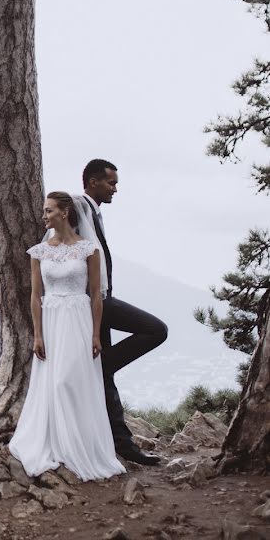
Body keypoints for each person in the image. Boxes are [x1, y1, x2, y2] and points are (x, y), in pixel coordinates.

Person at [9, 191, 126, 481]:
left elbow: (96, 296)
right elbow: (36, 296)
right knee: (54, 381)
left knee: (70, 380)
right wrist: (38, 335)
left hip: (78, 318)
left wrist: (96, 334)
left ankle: (81, 446)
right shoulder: (40, 251)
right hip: (51, 319)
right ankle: (58, 444)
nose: (44, 215)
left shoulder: (88, 250)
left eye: (49, 211)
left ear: (64, 213)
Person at [75, 159, 168, 466]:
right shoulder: (78, 206)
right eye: (111, 183)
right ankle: (98, 369)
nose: (115, 188)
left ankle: (124, 446)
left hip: (102, 300)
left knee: (106, 375)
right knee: (156, 329)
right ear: (92, 182)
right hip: (89, 302)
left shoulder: (94, 212)